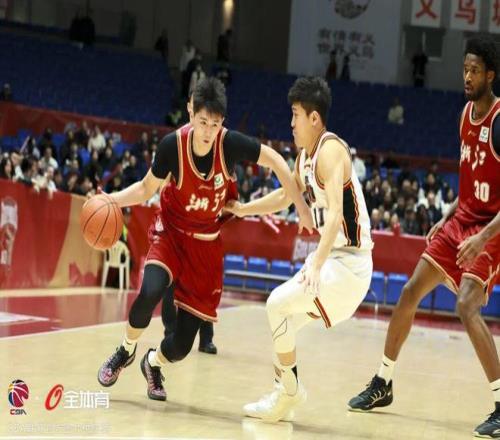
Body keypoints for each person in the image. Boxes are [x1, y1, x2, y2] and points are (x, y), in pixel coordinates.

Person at [97, 77, 313, 401]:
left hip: (205, 245)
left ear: (222, 122)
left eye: (215, 124)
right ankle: (126, 349)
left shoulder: (229, 144)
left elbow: (277, 161)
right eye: (202, 122)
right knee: (150, 290)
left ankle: (152, 363)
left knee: (182, 345)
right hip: (171, 233)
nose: (208, 131)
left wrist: (301, 208)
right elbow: (145, 188)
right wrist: (111, 199)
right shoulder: (172, 146)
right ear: (190, 111)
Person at [348, 36, 500, 438]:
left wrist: (482, 239)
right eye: (464, 69)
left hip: (492, 229)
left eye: (474, 71)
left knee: (466, 305)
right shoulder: (464, 115)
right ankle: (383, 382)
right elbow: (471, 182)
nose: (467, 76)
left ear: (490, 75)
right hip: (461, 221)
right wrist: (446, 215)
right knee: (409, 292)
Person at [225, 76, 373, 422]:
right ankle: (284, 393)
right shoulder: (305, 158)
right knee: (284, 321)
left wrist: (316, 264)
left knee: (275, 303)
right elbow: (286, 195)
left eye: (295, 115)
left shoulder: (330, 151)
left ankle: (289, 392)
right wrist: (243, 209)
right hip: (336, 262)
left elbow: (334, 216)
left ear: (314, 118)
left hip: (349, 267)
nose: (291, 123)